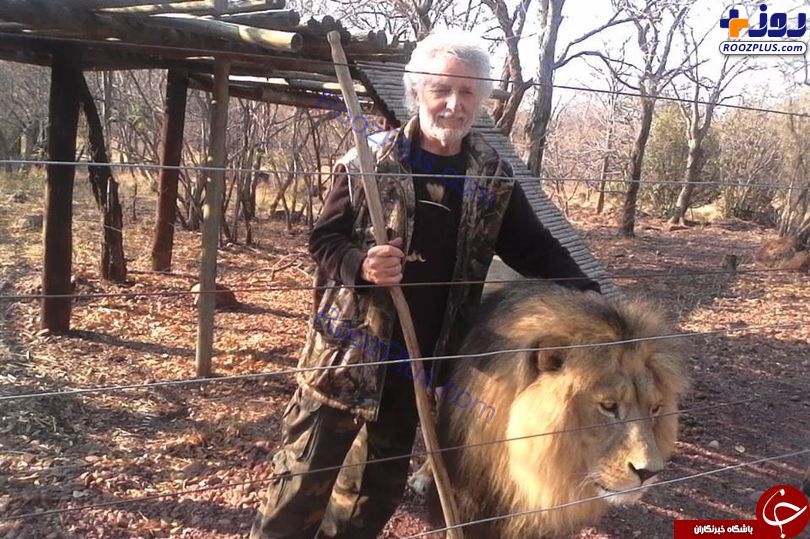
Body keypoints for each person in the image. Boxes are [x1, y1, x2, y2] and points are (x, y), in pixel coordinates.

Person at [250, 29, 600, 539]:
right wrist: (362, 266)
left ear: (481, 100)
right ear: (417, 92)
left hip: (419, 364)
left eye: (468, 92)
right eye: (442, 89)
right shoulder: (369, 161)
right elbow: (324, 241)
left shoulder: (491, 176)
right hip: (349, 355)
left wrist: (590, 295)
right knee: (303, 480)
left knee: (374, 490)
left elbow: (535, 248)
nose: (454, 104)